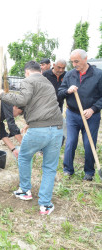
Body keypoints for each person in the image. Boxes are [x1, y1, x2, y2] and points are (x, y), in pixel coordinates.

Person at [0, 61, 63, 215]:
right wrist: (28, 122)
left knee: (24, 157)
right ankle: (45, 204)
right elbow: (40, 105)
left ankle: (25, 190)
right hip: (57, 128)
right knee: (49, 167)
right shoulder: (47, 82)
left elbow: (22, 101)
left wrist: (2, 95)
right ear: (40, 71)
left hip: (39, 130)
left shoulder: (28, 80)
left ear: (27, 72)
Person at [58, 49, 102, 181]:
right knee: (70, 142)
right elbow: (60, 93)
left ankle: (89, 172)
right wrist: (67, 91)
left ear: (85, 59)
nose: (74, 64)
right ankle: (68, 170)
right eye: (72, 61)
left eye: (76, 61)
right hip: (72, 114)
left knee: (89, 144)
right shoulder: (70, 75)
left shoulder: (98, 74)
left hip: (91, 116)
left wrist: (93, 109)